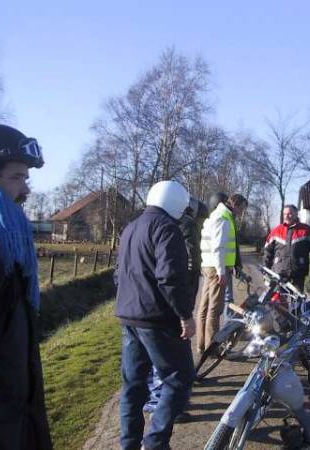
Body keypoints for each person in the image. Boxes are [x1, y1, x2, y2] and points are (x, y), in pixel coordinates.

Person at [0, 123, 52, 449]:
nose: (25, 190)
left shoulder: (5, 235)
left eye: (26, 178)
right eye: (16, 177)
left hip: (11, 409)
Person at [115, 180, 196, 450]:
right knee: (179, 379)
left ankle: (129, 444)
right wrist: (185, 314)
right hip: (157, 319)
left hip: (129, 317)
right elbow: (170, 278)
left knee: (133, 387)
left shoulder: (130, 228)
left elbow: (119, 273)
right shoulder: (167, 228)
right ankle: (155, 443)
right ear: (177, 204)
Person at [142, 198, 208, 419]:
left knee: (154, 354)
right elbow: (187, 263)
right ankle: (163, 406)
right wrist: (184, 306)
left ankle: (154, 399)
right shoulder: (184, 224)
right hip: (170, 300)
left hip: (145, 301)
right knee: (169, 357)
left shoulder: (145, 222)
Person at [197, 193, 248, 354]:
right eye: (242, 209)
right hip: (216, 268)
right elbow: (218, 247)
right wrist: (222, 272)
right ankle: (212, 347)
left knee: (204, 307)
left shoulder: (215, 216)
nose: (242, 213)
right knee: (215, 309)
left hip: (208, 265)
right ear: (236, 205)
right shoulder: (224, 219)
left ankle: (201, 345)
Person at [263, 204, 310, 292]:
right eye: (285, 214)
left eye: (290, 213)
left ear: (296, 214)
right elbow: (267, 252)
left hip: (298, 274)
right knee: (277, 303)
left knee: (297, 302)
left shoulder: (306, 231)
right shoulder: (276, 231)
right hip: (278, 274)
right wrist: (266, 272)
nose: (287, 216)